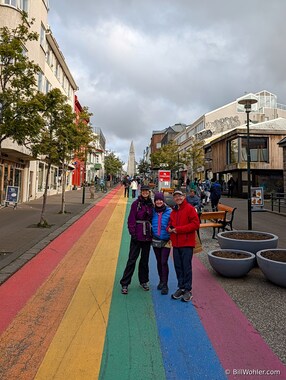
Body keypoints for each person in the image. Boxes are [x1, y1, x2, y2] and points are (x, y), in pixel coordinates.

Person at [167, 190, 200, 302]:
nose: (178, 198)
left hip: (186, 243)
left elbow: (196, 224)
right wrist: (169, 229)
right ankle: (181, 287)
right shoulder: (173, 211)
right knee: (178, 266)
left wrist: (179, 230)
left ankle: (187, 290)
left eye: (179, 196)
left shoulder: (189, 209)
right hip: (176, 244)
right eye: (175, 197)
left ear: (183, 197)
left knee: (186, 266)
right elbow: (169, 224)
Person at [120, 185, 154, 294]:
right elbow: (131, 219)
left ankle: (143, 281)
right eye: (143, 191)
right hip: (137, 235)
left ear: (149, 192)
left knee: (144, 260)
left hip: (147, 236)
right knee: (132, 259)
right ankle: (125, 283)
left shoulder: (151, 204)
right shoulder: (136, 204)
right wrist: (132, 233)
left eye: (146, 191)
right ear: (141, 192)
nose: (145, 193)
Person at [152, 192, 171, 295]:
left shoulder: (169, 211)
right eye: (157, 200)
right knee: (159, 261)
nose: (159, 202)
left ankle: (165, 284)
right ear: (154, 201)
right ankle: (161, 280)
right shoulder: (152, 211)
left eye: (160, 200)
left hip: (166, 240)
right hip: (155, 240)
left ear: (163, 201)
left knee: (164, 261)